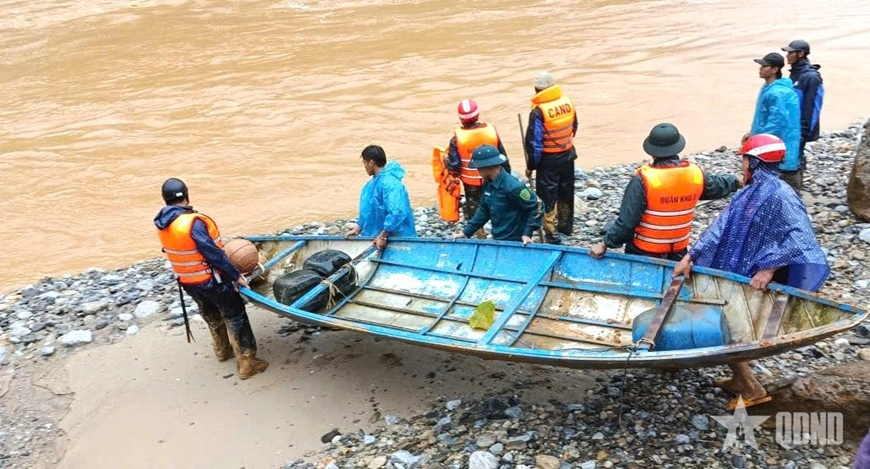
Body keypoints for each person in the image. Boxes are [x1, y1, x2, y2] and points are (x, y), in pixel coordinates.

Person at [672, 134, 830, 406]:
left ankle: (750, 387)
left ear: (755, 163)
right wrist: (692, 255)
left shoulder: (782, 196)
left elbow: (800, 238)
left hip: (758, 277)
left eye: (744, 159)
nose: (742, 165)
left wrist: (769, 268)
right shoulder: (748, 191)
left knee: (733, 325)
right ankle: (740, 379)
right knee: (728, 319)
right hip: (738, 268)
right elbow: (720, 227)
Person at [154, 178, 269, 380]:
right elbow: (213, 254)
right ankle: (247, 363)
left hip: (189, 282)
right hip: (211, 281)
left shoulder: (163, 224)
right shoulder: (193, 222)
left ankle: (222, 350)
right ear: (187, 196)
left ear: (165, 200)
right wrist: (236, 276)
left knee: (211, 315)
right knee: (235, 316)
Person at [589, 123, 741, 261]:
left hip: (644, 251)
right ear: (678, 147)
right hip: (678, 252)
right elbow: (718, 185)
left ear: (652, 152)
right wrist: (738, 181)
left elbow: (627, 223)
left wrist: (605, 244)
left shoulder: (643, 180)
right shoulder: (695, 175)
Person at [524, 71, 578, 244]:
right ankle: (565, 226)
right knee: (566, 190)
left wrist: (531, 165)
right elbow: (574, 126)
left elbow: (534, 143)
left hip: (549, 160)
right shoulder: (567, 103)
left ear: (536, 89)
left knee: (547, 195)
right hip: (568, 154)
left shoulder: (539, 112)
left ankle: (551, 232)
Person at [445, 99, 512, 237]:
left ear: (461, 119)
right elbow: (503, 157)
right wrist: (507, 177)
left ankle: (480, 236)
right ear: (478, 115)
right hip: (494, 178)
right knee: (497, 205)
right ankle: (501, 233)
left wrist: (446, 161)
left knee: (475, 210)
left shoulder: (457, 139)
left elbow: (455, 166)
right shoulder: (491, 132)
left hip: (471, 183)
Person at [452, 144, 544, 244]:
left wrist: (527, 233)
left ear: (486, 167)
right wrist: (466, 232)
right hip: (498, 239)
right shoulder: (488, 183)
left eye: (478, 168)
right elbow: (484, 210)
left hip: (516, 241)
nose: (478, 172)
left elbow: (537, 206)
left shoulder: (513, 187)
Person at [743, 52, 802, 191]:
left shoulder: (777, 93)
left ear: (775, 69)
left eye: (765, 66)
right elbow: (763, 117)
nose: (760, 69)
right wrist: (752, 132)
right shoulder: (769, 88)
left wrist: (756, 141)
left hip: (778, 148)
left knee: (781, 188)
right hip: (773, 145)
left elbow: (776, 123)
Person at [346, 145, 417, 250]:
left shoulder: (391, 184)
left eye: (364, 163)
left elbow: (397, 212)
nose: (364, 167)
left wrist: (383, 236)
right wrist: (359, 227)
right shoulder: (370, 185)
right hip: (376, 237)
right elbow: (367, 210)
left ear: (371, 163)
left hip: (399, 238)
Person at [782, 39, 824, 192]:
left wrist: (804, 132)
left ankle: (793, 193)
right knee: (793, 158)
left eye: (790, 52)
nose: (787, 55)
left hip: (799, 129)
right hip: (790, 127)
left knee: (792, 161)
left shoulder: (811, 77)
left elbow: (813, 108)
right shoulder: (794, 75)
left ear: (801, 54)